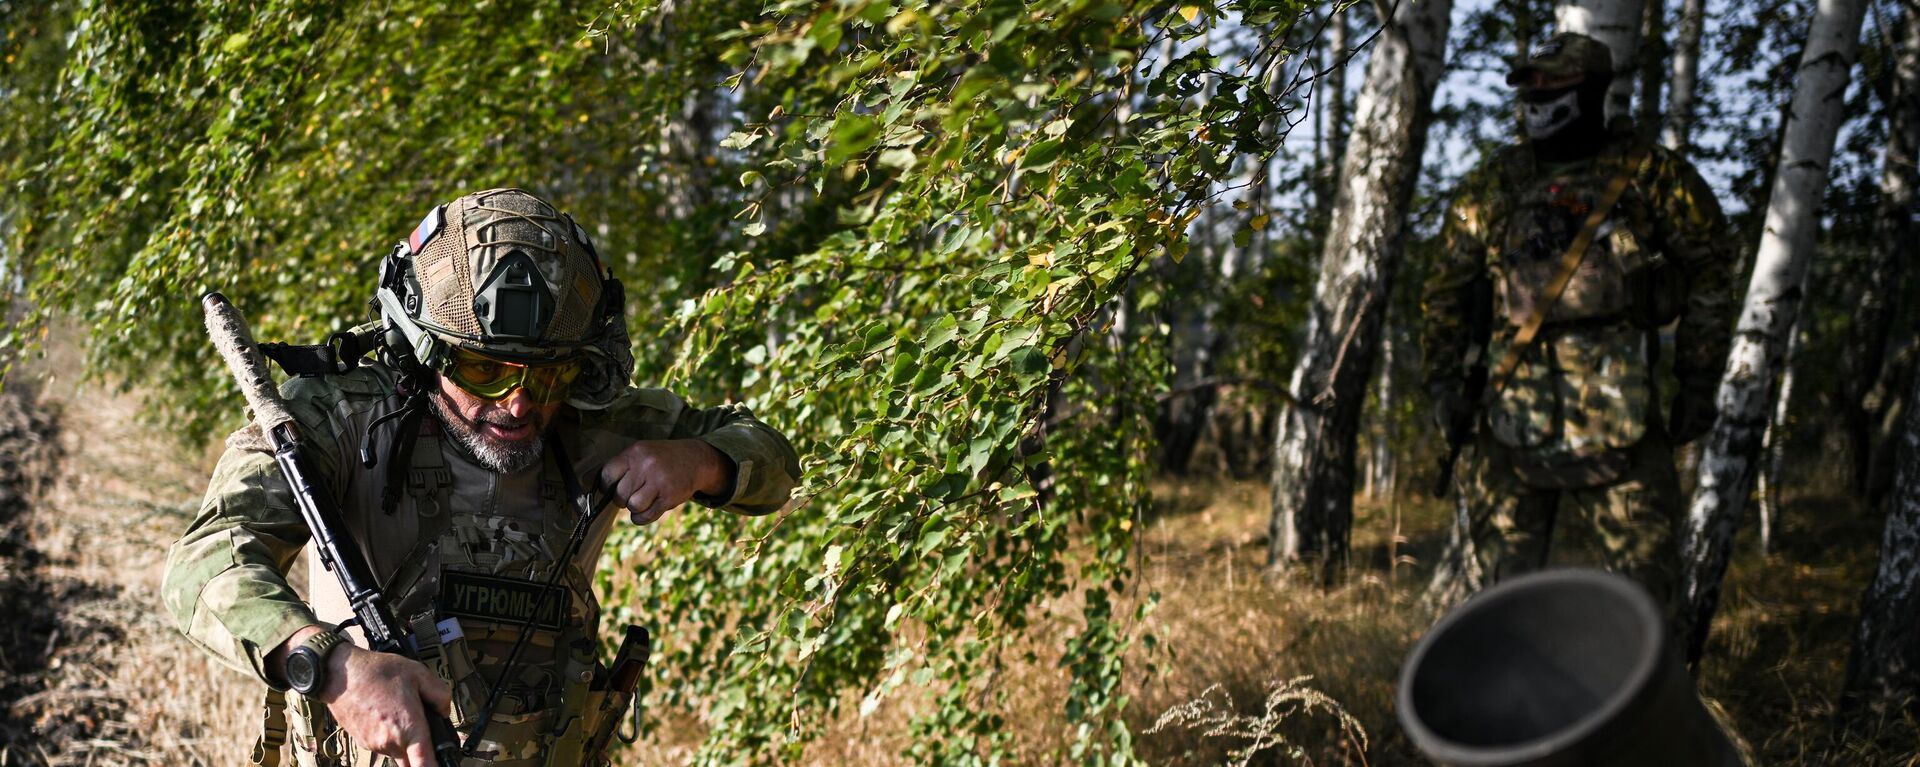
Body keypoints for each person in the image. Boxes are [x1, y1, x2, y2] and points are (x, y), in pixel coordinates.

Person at [164, 188, 802, 767]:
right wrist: (331, 665)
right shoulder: (340, 421)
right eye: (484, 372)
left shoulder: (595, 421)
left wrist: (701, 462)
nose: (519, 405)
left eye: (546, 373)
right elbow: (204, 561)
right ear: (424, 348)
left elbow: (774, 458)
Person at [1421, 33, 1736, 629]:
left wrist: (1699, 378)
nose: (1536, 97)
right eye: (1529, 85)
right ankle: (1518, 717)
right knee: (1501, 606)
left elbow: (1711, 271)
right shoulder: (1494, 186)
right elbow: (1444, 289)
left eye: (1552, 84)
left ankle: (1651, 718)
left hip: (1620, 418)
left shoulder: (1651, 176)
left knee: (1648, 601)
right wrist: (1443, 385)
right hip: (1510, 420)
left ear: (1590, 91)